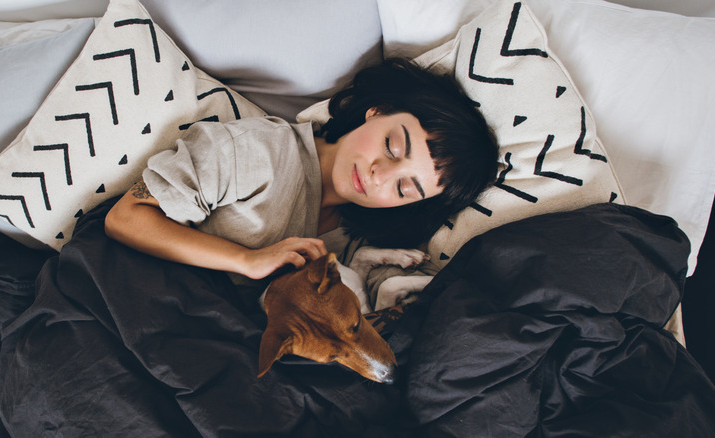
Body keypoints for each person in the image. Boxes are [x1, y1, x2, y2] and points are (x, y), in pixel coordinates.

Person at [104, 58, 499, 281]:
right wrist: (246, 260)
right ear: (376, 111)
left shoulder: (355, 239)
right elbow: (125, 217)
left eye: (404, 189)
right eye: (392, 147)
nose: (380, 174)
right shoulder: (259, 149)